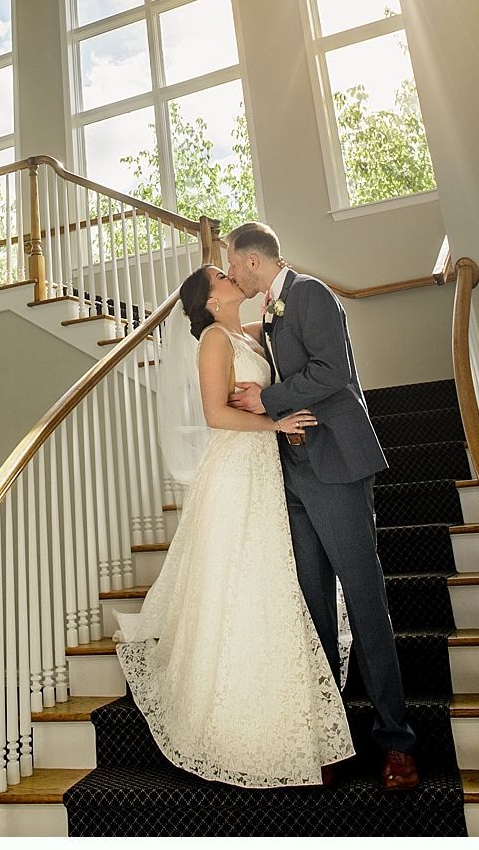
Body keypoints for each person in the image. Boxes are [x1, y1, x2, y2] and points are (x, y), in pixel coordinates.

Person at [113, 264, 355, 788]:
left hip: (268, 468)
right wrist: (276, 422)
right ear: (211, 299)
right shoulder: (214, 342)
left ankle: (304, 727)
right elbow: (215, 415)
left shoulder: (248, 333)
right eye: (221, 276)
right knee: (247, 583)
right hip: (238, 465)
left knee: (276, 583)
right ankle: (250, 730)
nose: (230, 276)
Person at [225, 221, 419, 791]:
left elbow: (334, 373)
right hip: (292, 473)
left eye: (233, 263)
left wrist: (269, 398)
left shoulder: (310, 294)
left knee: (363, 601)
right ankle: (331, 738)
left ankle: (397, 742)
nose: (232, 273)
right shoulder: (264, 316)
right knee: (312, 612)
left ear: (255, 262)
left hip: (336, 466)